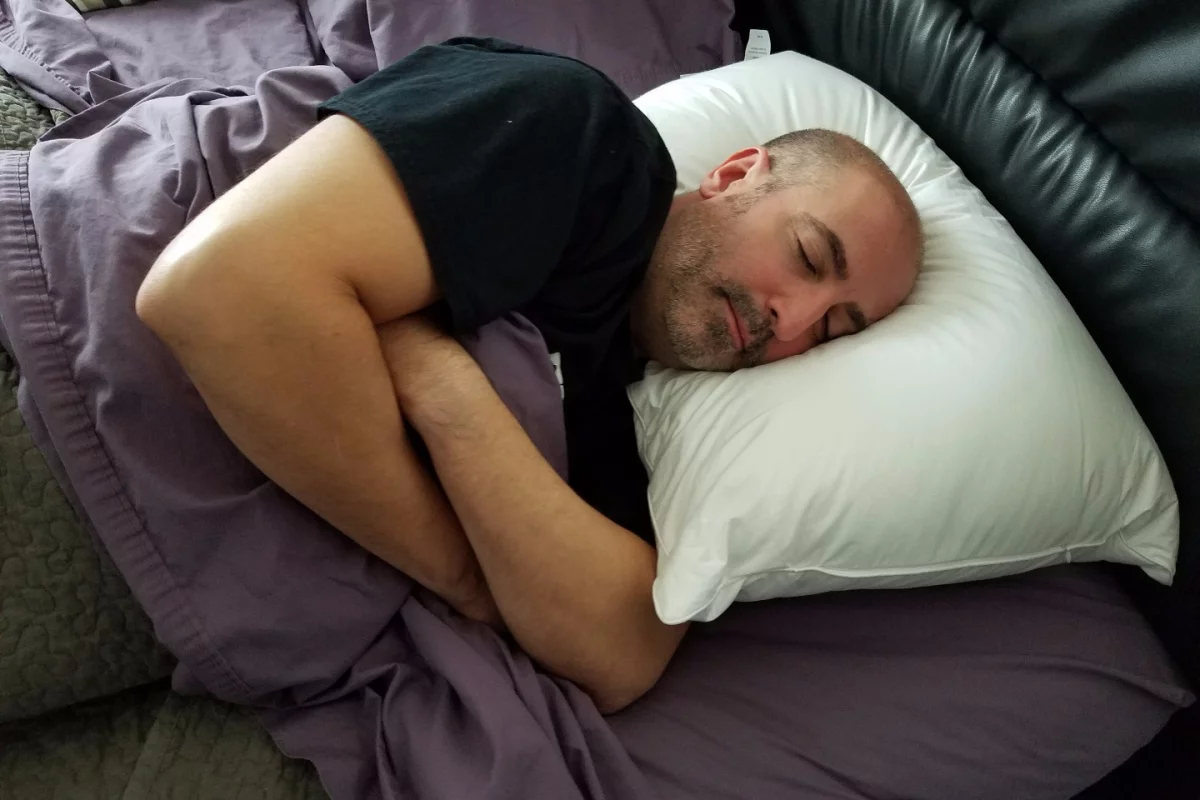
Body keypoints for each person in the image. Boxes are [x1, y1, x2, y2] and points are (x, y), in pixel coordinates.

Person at [135, 38, 922, 713]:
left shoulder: (638, 416)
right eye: (810, 258)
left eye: (831, 329)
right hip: (106, 366)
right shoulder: (579, 137)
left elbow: (622, 658)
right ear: (735, 173)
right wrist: (471, 582)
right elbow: (217, 293)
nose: (793, 319)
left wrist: (440, 380)